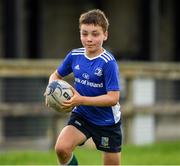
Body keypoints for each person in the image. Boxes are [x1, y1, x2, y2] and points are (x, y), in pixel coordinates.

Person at [45, 9, 122, 165]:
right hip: (82, 115)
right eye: (84, 33)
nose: (89, 39)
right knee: (62, 148)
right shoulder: (75, 56)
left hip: (107, 122)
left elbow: (113, 98)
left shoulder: (108, 63)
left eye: (95, 34)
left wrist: (81, 100)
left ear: (105, 35)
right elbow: (55, 75)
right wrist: (50, 90)